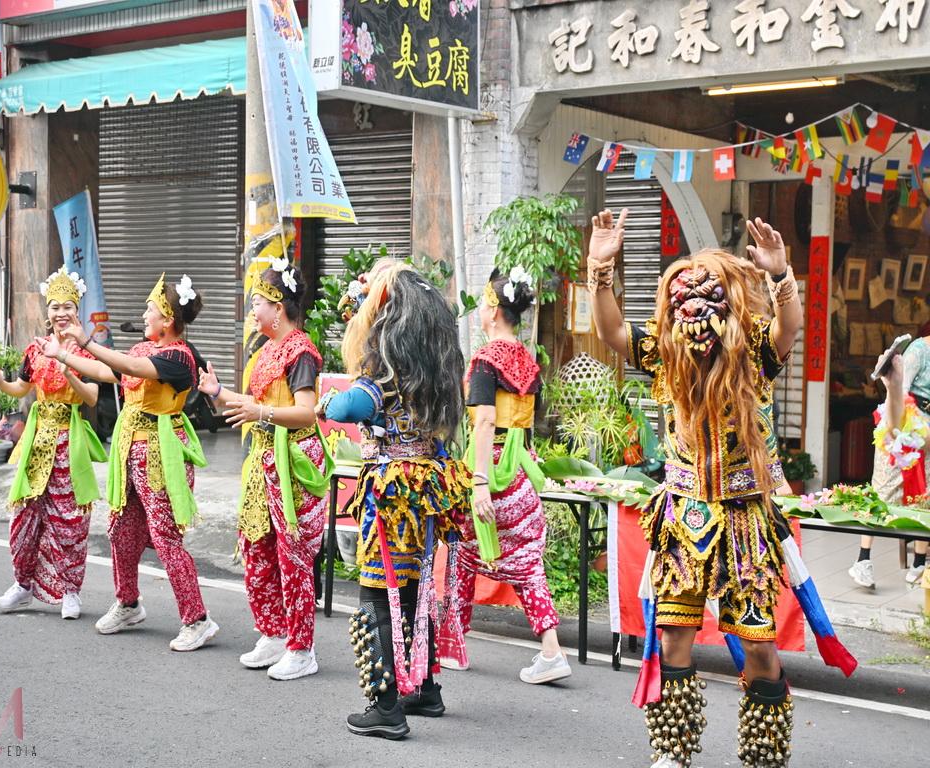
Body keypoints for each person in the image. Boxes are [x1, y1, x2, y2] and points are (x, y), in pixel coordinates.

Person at [588, 209, 805, 768]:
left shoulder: (753, 351)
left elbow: (788, 331)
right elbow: (613, 332)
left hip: (744, 519)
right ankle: (674, 753)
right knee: (674, 639)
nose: (695, 311)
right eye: (684, 299)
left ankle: (762, 755)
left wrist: (780, 278)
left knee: (758, 643)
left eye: (708, 299)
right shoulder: (667, 352)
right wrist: (599, 271)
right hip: (684, 514)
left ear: (728, 307)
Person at [317, 260, 470, 740]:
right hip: (424, 489)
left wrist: (329, 402)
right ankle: (423, 687)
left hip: (389, 496)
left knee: (376, 596)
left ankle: (384, 705)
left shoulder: (385, 375)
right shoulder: (431, 377)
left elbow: (347, 406)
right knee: (413, 590)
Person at [40, 273, 218, 652]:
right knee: (121, 529)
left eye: (149, 309)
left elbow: (135, 371)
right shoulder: (140, 348)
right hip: (130, 453)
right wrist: (65, 356)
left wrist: (86, 340)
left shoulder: (178, 357)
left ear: (167, 319)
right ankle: (128, 602)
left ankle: (197, 619)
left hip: (160, 455)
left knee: (167, 537)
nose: (144, 313)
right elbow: (110, 372)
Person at [198, 261, 330, 680]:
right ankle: (273, 633)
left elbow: (306, 412)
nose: (252, 311)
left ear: (278, 306)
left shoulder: (301, 351)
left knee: (293, 556)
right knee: (258, 551)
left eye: (257, 302)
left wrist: (261, 411)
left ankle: (301, 647)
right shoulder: (265, 351)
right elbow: (253, 405)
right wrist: (219, 392)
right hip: (262, 462)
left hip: (293, 462)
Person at [438, 267, 570, 685]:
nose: (479, 310)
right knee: (528, 565)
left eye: (483, 303)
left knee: (459, 551)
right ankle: (550, 648)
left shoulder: (485, 360)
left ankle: (454, 644)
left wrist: (478, 482)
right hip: (521, 475)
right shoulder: (527, 362)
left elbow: (484, 423)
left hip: (491, 469)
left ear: (494, 311)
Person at [0, 267, 106, 620]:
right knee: (24, 516)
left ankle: (70, 592)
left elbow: (92, 398)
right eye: (54, 307)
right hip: (36, 443)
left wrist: (68, 369)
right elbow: (23, 388)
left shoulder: (87, 350)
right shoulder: (35, 349)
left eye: (67, 306)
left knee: (69, 520)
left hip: (68, 439)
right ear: (46, 311)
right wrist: (1, 382)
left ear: (77, 309)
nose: (61, 313)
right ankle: (22, 585)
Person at [850, 328, 930, 589]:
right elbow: (901, 390)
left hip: (926, 433)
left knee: (924, 496)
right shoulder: (919, 350)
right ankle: (863, 559)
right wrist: (907, 428)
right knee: (882, 491)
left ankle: (919, 562)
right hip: (903, 422)